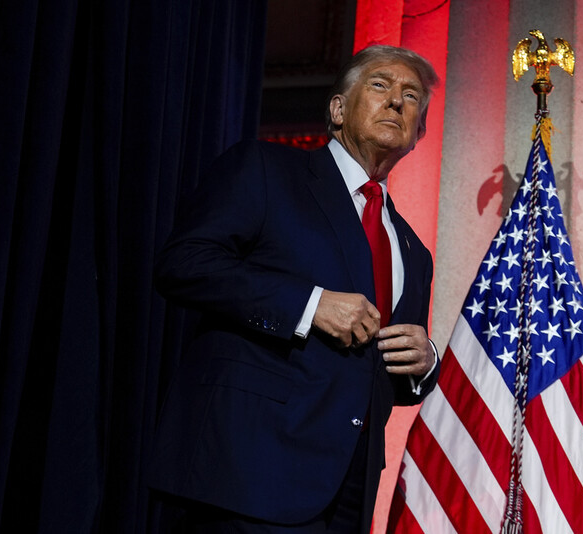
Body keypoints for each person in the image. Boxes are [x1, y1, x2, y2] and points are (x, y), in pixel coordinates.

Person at [149, 45, 441, 533]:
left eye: (411, 96)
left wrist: (424, 362)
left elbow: (383, 376)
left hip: (348, 494)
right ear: (338, 109)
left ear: (417, 135)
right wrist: (309, 305)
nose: (396, 100)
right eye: (380, 85)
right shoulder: (266, 169)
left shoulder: (413, 251)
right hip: (246, 473)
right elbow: (184, 263)